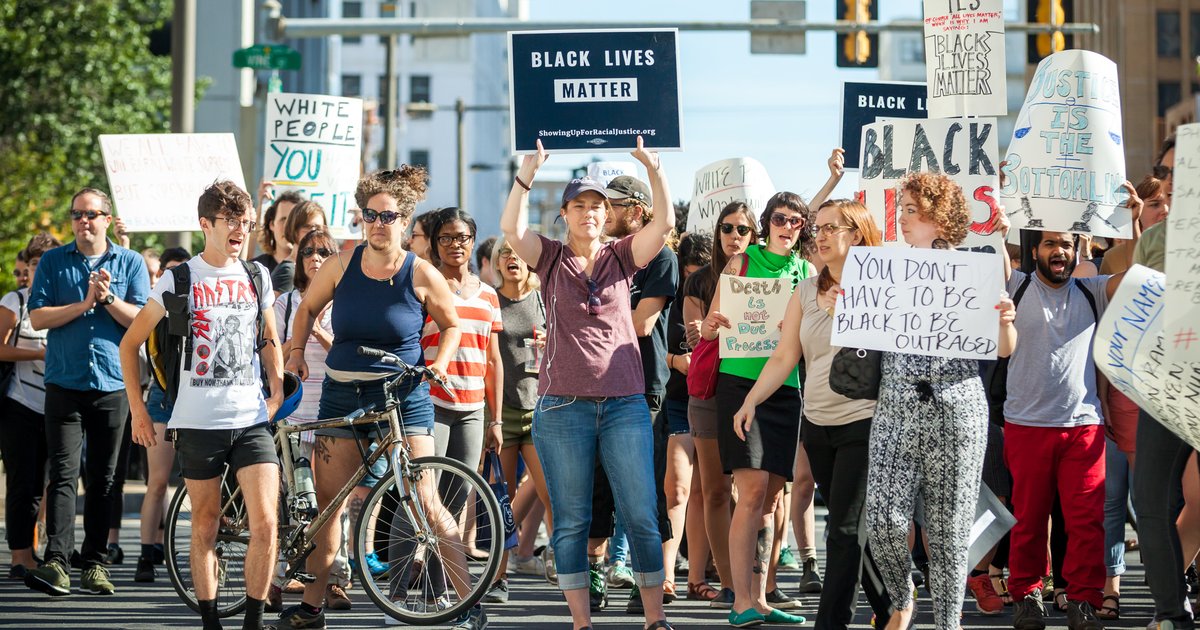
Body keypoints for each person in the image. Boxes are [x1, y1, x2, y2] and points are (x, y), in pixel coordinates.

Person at [282, 166, 475, 630]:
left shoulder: (421, 272)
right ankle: (312, 608)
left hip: (402, 396)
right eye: (369, 214)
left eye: (387, 216)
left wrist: (441, 363)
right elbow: (307, 307)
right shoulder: (342, 263)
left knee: (427, 500)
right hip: (341, 396)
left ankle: (468, 605)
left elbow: (452, 325)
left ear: (404, 220)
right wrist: (294, 355)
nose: (377, 223)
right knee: (331, 505)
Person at [500, 137, 675, 630]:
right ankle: (581, 623)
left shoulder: (623, 256)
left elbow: (662, 224)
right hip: (562, 408)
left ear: (606, 214)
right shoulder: (551, 258)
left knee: (640, 513)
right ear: (565, 214)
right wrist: (527, 172)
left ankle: (654, 620)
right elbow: (510, 228)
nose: (590, 213)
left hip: (624, 405)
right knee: (573, 519)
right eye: (580, 206)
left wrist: (654, 170)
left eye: (597, 206)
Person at [119, 180, 284, 630]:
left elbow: (268, 337)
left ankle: (252, 621)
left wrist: (276, 389)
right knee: (206, 526)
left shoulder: (257, 275)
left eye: (247, 223)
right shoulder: (179, 278)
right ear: (205, 224)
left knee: (265, 523)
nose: (241, 231)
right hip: (196, 422)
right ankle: (210, 621)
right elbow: (130, 343)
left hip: (251, 419)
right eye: (231, 222)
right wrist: (138, 409)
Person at [865, 172, 1017, 630]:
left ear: (940, 216)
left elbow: (1005, 346)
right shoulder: (886, 268)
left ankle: (948, 624)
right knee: (882, 519)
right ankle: (901, 591)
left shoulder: (976, 269)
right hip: (896, 408)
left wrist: (1006, 320)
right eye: (902, 209)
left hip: (958, 410)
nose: (904, 219)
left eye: (913, 210)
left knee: (950, 534)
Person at [733, 198, 894, 630]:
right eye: (817, 228)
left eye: (828, 228)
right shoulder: (804, 290)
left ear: (855, 235)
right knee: (849, 533)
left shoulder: (882, 286)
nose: (818, 235)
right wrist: (751, 399)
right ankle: (892, 607)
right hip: (818, 423)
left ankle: (831, 624)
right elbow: (786, 356)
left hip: (866, 420)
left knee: (841, 532)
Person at [1004, 180, 1143, 630]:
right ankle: (1027, 595)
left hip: (1082, 427)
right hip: (1025, 425)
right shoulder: (1016, 285)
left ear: (1078, 248)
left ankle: (1083, 600)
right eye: (1050, 244)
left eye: (1066, 244)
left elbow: (1142, 275)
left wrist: (1133, 223)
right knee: (1029, 521)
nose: (1059, 251)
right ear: (1035, 248)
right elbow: (985, 257)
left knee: (1086, 523)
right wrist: (999, 196)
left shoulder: (1093, 289)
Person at [24, 188, 150, 597]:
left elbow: (142, 319)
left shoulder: (129, 262)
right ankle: (56, 562)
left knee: (105, 479)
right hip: (64, 382)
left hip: (113, 384)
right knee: (62, 475)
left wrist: (108, 297)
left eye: (92, 214)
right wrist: (83, 304)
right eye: (77, 214)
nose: (84, 221)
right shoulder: (54, 262)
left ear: (108, 220)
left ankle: (94, 562)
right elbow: (39, 316)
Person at [701, 191, 817, 627]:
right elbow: (711, 329)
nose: (788, 226)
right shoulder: (741, 261)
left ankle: (761, 598)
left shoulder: (807, 272)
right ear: (767, 222)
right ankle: (740, 601)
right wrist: (711, 326)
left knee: (770, 499)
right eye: (781, 218)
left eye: (797, 221)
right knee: (749, 494)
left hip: (786, 389)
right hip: (740, 383)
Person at [587, 173, 678, 615]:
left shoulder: (660, 256)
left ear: (637, 210)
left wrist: (588, 316)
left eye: (613, 205)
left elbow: (642, 323)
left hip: (643, 386)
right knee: (597, 485)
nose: (604, 213)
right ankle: (594, 575)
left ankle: (651, 587)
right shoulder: (600, 254)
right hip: (599, 383)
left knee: (645, 490)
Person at [268, 227, 357, 612]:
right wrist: (299, 337)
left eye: (324, 251)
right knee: (290, 502)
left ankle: (335, 579)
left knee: (335, 504)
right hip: (294, 416)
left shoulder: (347, 301)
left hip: (333, 415)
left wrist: (318, 330)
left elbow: (345, 353)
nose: (315, 258)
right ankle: (272, 578)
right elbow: (270, 350)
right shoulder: (288, 302)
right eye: (308, 252)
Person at [682, 201, 760, 609]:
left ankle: (758, 587)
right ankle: (730, 584)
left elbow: (801, 227)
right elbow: (693, 346)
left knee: (758, 494)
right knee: (714, 491)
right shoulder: (699, 283)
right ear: (717, 234)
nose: (734, 236)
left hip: (754, 393)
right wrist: (703, 332)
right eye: (727, 228)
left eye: (743, 230)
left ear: (755, 235)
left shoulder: (768, 275)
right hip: (710, 394)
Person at [420, 205, 504, 579]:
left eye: (462, 237)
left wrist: (495, 418)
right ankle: (408, 582)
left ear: (472, 242)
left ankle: (440, 583)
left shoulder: (488, 294)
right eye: (446, 238)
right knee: (424, 498)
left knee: (456, 499)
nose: (455, 244)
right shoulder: (424, 284)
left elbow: (494, 360)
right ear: (436, 244)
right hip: (430, 404)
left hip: (473, 408)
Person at [487, 236, 554, 601]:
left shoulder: (543, 296)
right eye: (504, 254)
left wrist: (550, 340)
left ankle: (563, 563)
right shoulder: (490, 298)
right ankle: (498, 576)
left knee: (552, 491)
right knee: (504, 496)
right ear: (496, 262)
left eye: (517, 254)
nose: (511, 259)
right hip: (502, 410)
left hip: (540, 406)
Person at [0, 232, 60, 579]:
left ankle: (42, 552)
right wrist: (38, 352)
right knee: (23, 484)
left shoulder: (64, 304)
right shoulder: (15, 301)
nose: (41, 270)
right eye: (36, 264)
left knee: (48, 484)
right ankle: (19, 557)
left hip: (55, 405)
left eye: (47, 263)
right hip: (19, 404)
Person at [134, 245, 192, 584]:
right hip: (162, 398)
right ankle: (146, 555)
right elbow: (141, 351)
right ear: (159, 277)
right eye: (169, 272)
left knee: (199, 483)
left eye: (182, 273)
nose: (176, 279)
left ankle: (188, 553)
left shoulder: (200, 305)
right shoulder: (153, 310)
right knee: (157, 482)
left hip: (197, 399)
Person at [661, 232, 714, 602]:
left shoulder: (723, 293)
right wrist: (675, 361)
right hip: (677, 400)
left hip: (714, 399)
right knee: (677, 488)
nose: (694, 279)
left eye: (701, 272)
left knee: (706, 491)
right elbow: (645, 343)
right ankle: (665, 577)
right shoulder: (669, 295)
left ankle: (697, 577)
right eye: (689, 272)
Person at [270, 199, 328, 294]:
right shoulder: (288, 271)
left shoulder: (317, 267)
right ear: (294, 230)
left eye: (318, 228)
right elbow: (275, 308)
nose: (313, 232)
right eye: (307, 227)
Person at [252, 190, 304, 274]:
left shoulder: (312, 269)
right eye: (283, 219)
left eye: (294, 220)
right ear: (272, 224)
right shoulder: (255, 269)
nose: (288, 227)